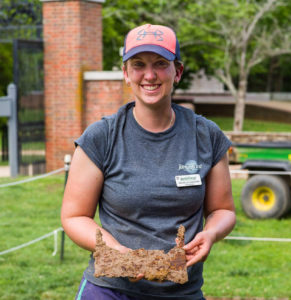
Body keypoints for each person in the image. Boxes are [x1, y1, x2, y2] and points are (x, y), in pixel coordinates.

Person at [61, 23, 236, 300]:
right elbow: (74, 216)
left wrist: (211, 233)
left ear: (177, 72)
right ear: (126, 74)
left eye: (160, 64)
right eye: (138, 64)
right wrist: (114, 249)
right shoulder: (101, 137)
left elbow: (223, 210)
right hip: (111, 290)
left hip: (182, 292)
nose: (150, 75)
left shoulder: (206, 136)